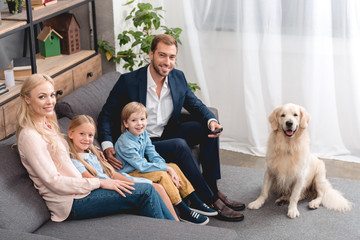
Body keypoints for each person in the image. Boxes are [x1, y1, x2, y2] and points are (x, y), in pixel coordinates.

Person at [98, 34, 245, 222]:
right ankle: (209, 199)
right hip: (141, 141)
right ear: (150, 54)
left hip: (166, 132)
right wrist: (107, 144)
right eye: (162, 55)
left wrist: (211, 121)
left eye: (172, 57)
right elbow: (106, 114)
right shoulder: (129, 81)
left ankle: (213, 189)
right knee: (179, 145)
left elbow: (195, 104)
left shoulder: (177, 77)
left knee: (207, 130)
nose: (167, 62)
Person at [16, 73, 175, 222]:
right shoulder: (30, 136)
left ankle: (179, 231)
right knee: (146, 193)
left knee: (150, 190)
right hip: (70, 202)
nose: (50, 101)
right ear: (27, 99)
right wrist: (99, 183)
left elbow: (61, 159)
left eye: (52, 95)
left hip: (82, 191)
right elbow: (54, 181)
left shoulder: (47, 125)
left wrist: (89, 150)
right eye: (42, 97)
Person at [115, 102, 218, 225]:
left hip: (140, 168)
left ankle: (195, 200)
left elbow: (152, 153)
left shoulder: (143, 134)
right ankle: (183, 209)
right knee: (162, 175)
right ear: (126, 123)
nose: (139, 123)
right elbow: (141, 165)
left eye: (142, 119)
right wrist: (165, 169)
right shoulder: (125, 143)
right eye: (134, 120)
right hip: (130, 173)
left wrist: (166, 166)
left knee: (173, 166)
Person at [67, 114, 179, 221]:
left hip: (113, 181)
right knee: (148, 190)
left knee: (155, 187)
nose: (86, 139)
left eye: (90, 135)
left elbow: (111, 173)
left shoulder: (91, 153)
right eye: (82, 134)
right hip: (101, 189)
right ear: (71, 134)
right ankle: (169, 227)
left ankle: (174, 224)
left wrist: (133, 183)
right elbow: (92, 181)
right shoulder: (74, 160)